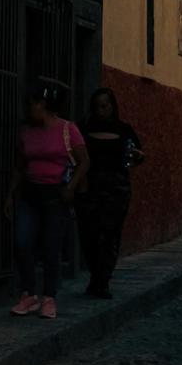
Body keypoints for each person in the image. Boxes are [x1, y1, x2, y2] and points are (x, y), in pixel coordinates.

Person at [5, 84, 89, 320]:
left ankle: (49, 297)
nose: (29, 108)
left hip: (56, 194)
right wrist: (11, 194)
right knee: (22, 242)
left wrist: (71, 188)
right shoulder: (27, 132)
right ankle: (29, 294)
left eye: (33, 103)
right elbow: (20, 166)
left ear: (43, 105)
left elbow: (84, 162)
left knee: (51, 246)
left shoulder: (67, 130)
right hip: (31, 193)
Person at [75, 88, 144, 299]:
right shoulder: (84, 130)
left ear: (113, 106)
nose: (101, 109)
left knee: (110, 235)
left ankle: (102, 281)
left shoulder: (124, 130)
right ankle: (96, 276)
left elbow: (137, 156)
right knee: (89, 235)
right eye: (97, 105)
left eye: (105, 105)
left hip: (117, 189)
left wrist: (137, 155)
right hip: (89, 189)